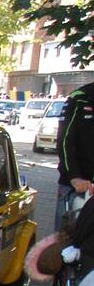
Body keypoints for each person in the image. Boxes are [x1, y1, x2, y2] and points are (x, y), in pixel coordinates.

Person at [56, 81, 94, 229]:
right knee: (64, 242)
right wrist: (74, 176)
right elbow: (64, 140)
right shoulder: (80, 98)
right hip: (76, 188)